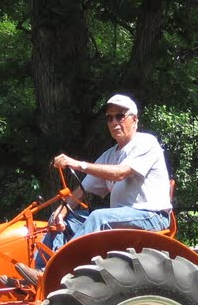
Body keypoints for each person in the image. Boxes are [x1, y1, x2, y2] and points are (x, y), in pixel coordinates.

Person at [48, 93, 172, 246]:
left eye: (120, 116)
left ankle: (60, 265)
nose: (114, 122)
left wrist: (79, 164)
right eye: (109, 118)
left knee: (98, 217)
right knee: (63, 217)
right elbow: (81, 191)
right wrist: (61, 211)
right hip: (120, 217)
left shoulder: (146, 142)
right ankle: (42, 267)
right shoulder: (109, 155)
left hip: (151, 215)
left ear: (134, 120)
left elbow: (120, 173)